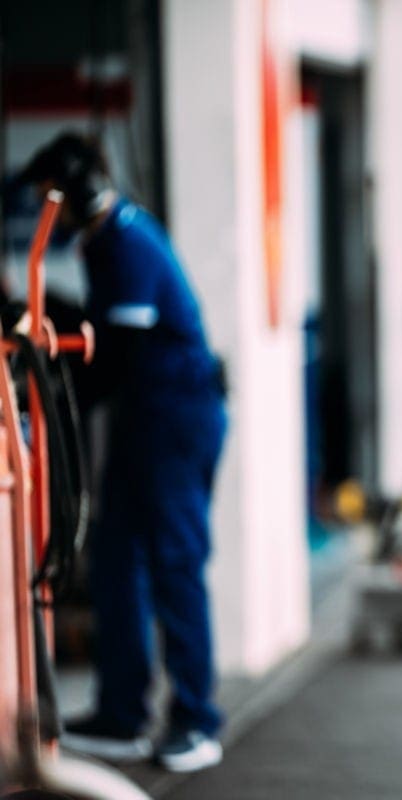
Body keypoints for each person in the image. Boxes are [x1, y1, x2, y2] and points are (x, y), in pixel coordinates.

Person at [18, 132, 228, 773]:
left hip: (176, 418)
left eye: (48, 201)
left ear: (75, 191)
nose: (44, 218)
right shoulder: (103, 240)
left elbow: (116, 359)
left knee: (174, 564)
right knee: (114, 560)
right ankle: (122, 713)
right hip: (145, 419)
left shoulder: (129, 242)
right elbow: (106, 335)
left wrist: (41, 397)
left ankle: (197, 721)